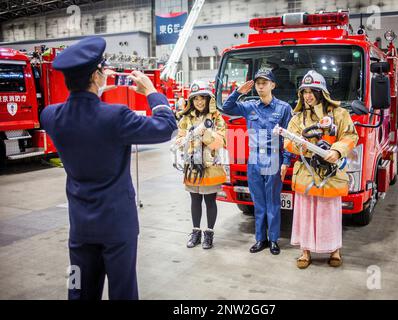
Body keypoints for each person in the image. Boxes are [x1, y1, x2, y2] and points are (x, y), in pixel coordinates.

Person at [40, 36, 177, 300]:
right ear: (96, 76)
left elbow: (81, 112)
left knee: (78, 288)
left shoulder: (51, 116)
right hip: (117, 225)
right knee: (122, 290)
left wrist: (94, 90)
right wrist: (152, 91)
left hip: (80, 225)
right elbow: (166, 126)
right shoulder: (116, 116)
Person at [284, 70, 358, 269]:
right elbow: (287, 142)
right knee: (305, 212)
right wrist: (303, 145)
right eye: (304, 92)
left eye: (312, 91)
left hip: (330, 173)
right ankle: (305, 251)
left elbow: (351, 136)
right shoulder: (297, 118)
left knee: (330, 212)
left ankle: (334, 250)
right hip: (307, 171)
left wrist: (337, 150)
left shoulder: (340, 113)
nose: (307, 96)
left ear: (322, 92)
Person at [222, 69, 292, 255]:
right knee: (258, 203)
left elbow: (288, 137)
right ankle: (261, 239)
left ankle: (274, 240)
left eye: (265, 82)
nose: (261, 86)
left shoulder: (283, 108)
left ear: (272, 85)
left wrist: (286, 161)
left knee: (273, 202)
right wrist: (238, 92)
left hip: (273, 157)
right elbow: (226, 108)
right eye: (258, 83)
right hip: (254, 159)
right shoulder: (249, 106)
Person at [175, 80, 227, 249]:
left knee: (210, 201)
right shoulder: (186, 118)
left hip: (210, 166)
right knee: (194, 200)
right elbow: (179, 139)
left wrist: (205, 134)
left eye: (202, 98)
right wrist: (187, 138)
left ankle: (209, 234)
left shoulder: (216, 117)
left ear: (208, 99)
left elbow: (221, 141)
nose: (199, 102)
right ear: (191, 100)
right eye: (195, 98)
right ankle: (196, 232)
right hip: (192, 167)